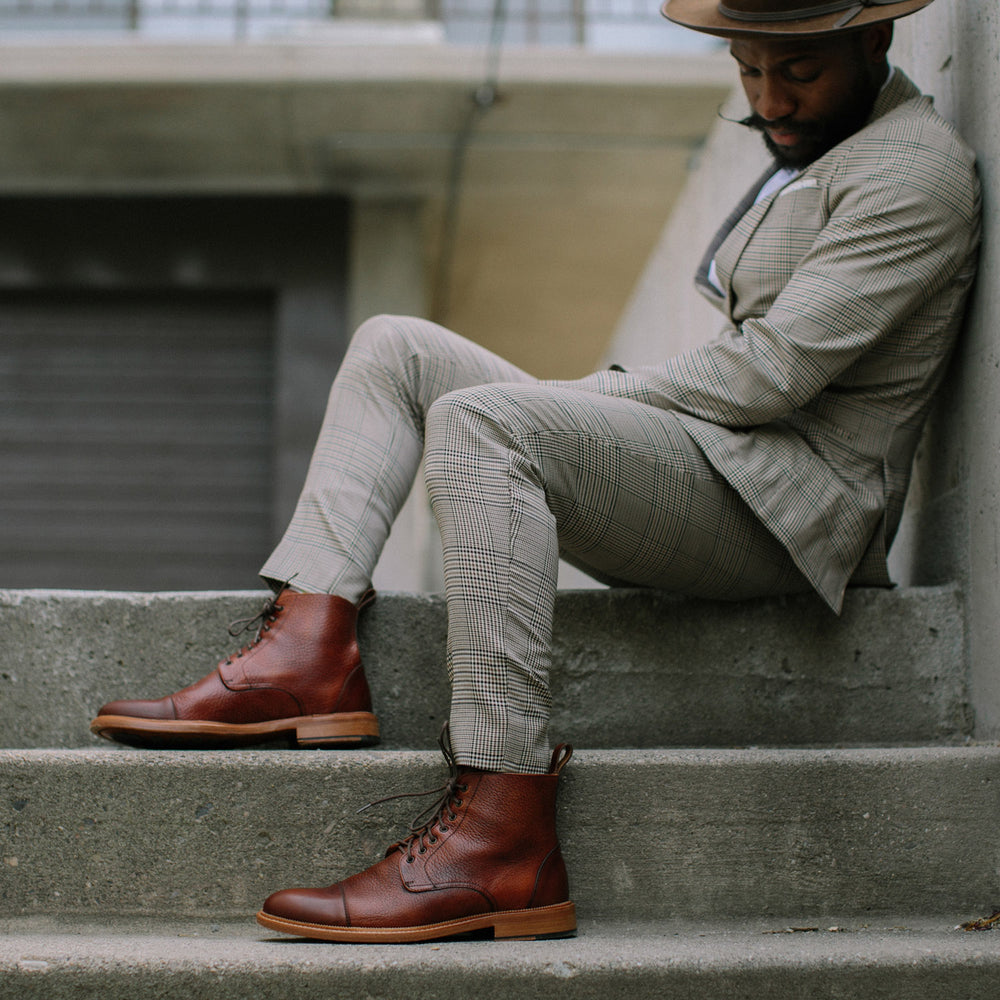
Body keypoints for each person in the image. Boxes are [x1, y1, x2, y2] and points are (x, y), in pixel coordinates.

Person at [90, 0, 979, 943]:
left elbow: (768, 375)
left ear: (873, 40)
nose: (769, 100)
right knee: (397, 347)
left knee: (488, 423)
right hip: (723, 465)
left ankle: (499, 834)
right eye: (749, 71)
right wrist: (579, 404)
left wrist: (580, 400)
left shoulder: (914, 173)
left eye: (796, 74)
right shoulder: (830, 154)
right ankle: (310, 651)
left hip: (790, 512)